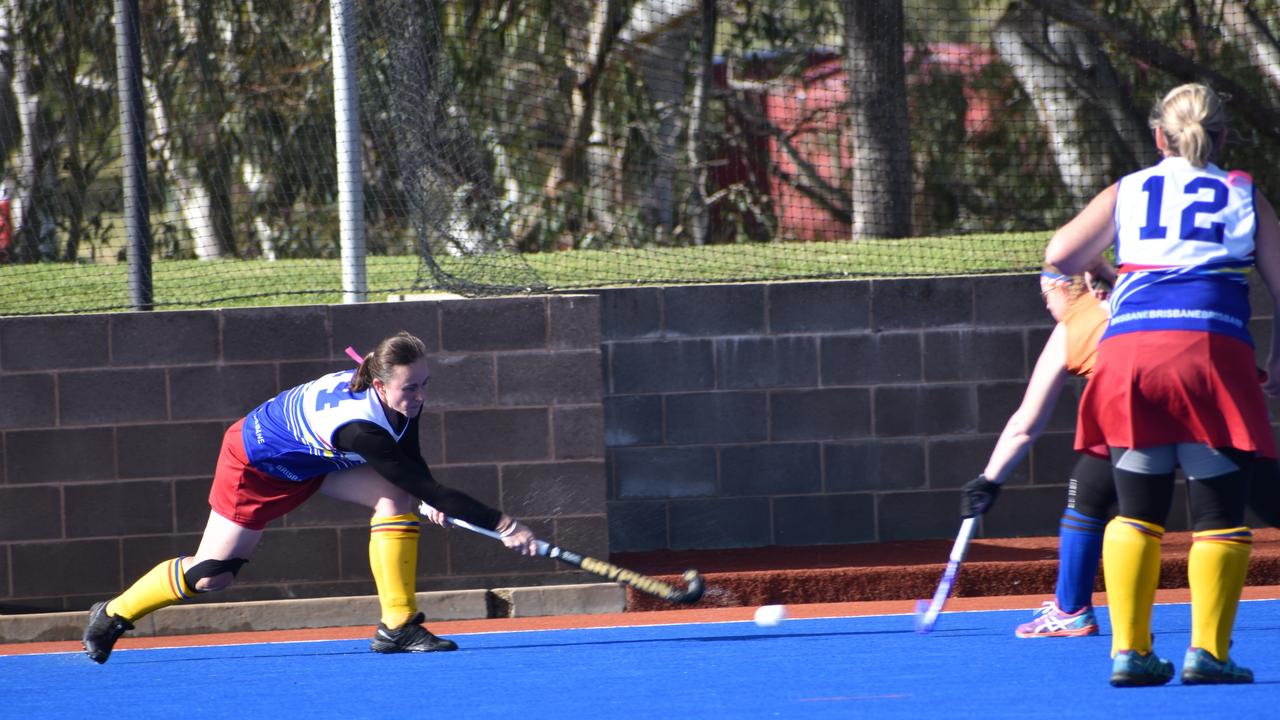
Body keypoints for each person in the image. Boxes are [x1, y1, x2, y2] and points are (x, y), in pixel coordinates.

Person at [82, 331, 539, 663]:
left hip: (313, 459)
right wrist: (505, 525)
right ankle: (114, 613)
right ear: (380, 385)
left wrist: (431, 498)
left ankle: (397, 626)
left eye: (424, 384)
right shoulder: (361, 428)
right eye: (410, 388)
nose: (419, 395)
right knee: (212, 576)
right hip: (256, 465)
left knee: (396, 498)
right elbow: (416, 476)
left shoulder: (397, 397)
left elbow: (412, 461)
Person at [1044, 83, 1280, 687]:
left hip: (1131, 356)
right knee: (1220, 516)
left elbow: (1060, 254)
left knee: (1137, 513)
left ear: (1158, 137)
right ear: (1223, 137)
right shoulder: (1243, 192)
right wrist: (1277, 361)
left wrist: (1102, 270)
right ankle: (1209, 653)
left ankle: (1130, 652)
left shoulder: (1130, 188)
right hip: (1210, 352)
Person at [960, 269, 1280, 641]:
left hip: (1140, 408)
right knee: (1263, 498)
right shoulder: (1147, 294)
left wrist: (990, 479)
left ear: (1065, 287)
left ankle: (1074, 611)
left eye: (1045, 294)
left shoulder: (1073, 324)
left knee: (1093, 498)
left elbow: (1025, 423)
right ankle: (1076, 611)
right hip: (1207, 395)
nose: (1047, 305)